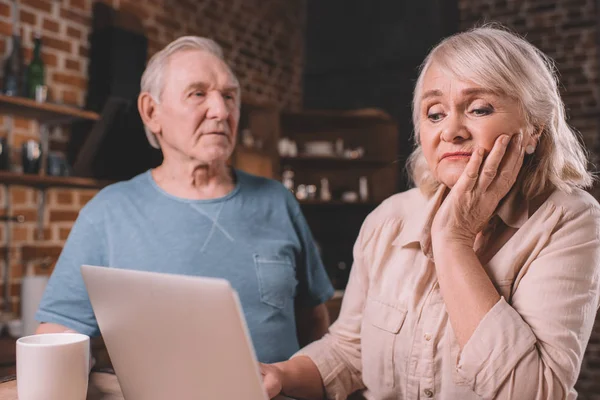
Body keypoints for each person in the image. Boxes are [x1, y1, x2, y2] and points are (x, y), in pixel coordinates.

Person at [261, 25, 600, 399]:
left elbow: (532, 392)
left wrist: (453, 241)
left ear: (534, 129)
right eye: (435, 113)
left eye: (479, 108)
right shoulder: (388, 219)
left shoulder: (569, 220)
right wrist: (278, 374)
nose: (451, 130)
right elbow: (348, 351)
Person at [35, 36, 334, 364]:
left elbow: (314, 322)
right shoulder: (107, 212)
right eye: (198, 94)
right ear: (152, 112)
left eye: (229, 96)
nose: (221, 110)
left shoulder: (278, 201)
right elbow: (58, 332)